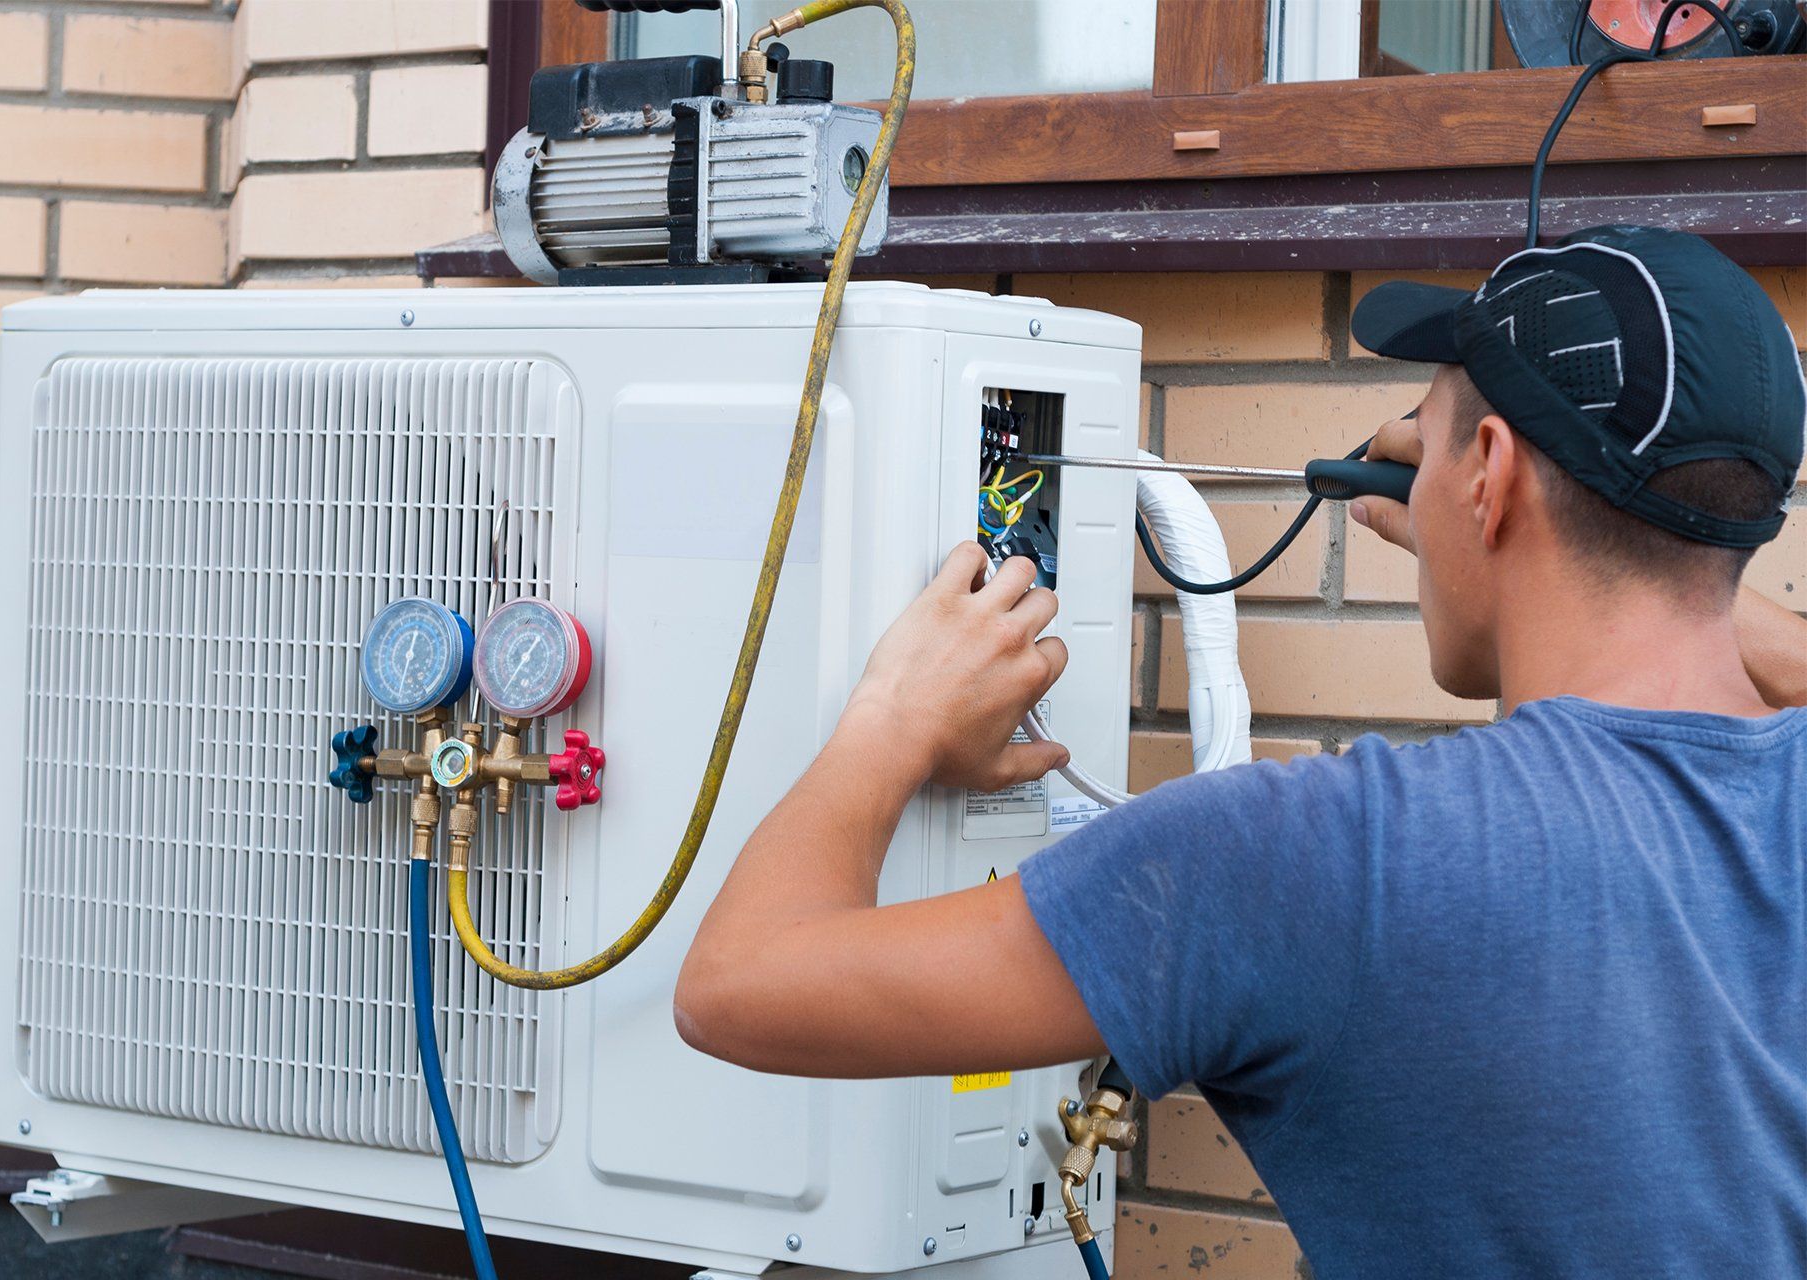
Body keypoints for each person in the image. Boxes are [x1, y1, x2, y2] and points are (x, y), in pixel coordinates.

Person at [673, 226, 1807, 1278]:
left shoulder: (1320, 856)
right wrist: (1596, 544)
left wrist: (896, 715)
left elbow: (737, 986)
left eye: (1436, 431)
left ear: (1492, 470)